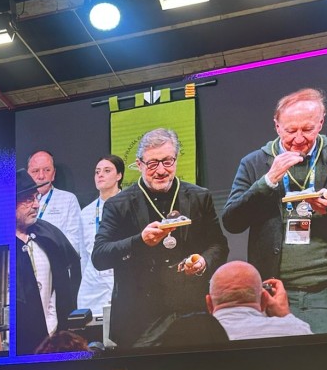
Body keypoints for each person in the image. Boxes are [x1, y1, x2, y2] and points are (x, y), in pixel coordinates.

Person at [222, 88, 327, 333]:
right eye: (290, 130)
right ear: (276, 126)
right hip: (275, 292)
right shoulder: (254, 163)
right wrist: (268, 181)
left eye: (307, 129)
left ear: (321, 123)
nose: (298, 139)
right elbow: (232, 221)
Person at [92, 128, 228, 348]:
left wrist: (203, 261)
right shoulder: (118, 204)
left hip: (189, 312)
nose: (161, 170)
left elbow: (219, 245)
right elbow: (99, 257)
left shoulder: (198, 196)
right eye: (153, 164)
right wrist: (140, 241)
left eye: (168, 161)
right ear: (139, 164)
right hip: (138, 320)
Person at [16, 169, 82, 355]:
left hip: (53, 340)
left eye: (36, 198)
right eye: (28, 200)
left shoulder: (48, 234)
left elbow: (63, 286)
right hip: (20, 347)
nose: (36, 205)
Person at [206, 260, 312, 340]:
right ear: (264, 301)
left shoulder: (195, 336)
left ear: (209, 304)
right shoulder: (296, 331)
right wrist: (285, 315)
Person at [78, 155, 124, 315]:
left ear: (119, 175)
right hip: (92, 283)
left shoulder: (129, 205)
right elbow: (84, 254)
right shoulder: (86, 212)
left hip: (122, 278)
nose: (100, 175)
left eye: (107, 170)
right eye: (97, 172)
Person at [27, 150, 84, 253]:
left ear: (53, 174)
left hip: (56, 263)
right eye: (35, 171)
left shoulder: (68, 200)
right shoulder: (17, 202)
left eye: (47, 170)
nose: (41, 176)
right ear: (27, 174)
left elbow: (75, 242)